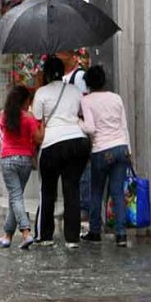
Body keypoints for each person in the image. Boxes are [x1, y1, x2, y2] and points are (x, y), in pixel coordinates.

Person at [32, 57, 91, 248]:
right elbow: (82, 113)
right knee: (71, 188)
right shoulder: (75, 91)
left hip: (52, 144)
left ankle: (46, 236)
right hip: (78, 142)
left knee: (48, 190)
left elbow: (37, 121)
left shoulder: (41, 93)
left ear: (47, 73)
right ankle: (72, 238)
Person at [79, 65, 131, 247]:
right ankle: (121, 234)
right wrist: (129, 150)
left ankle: (95, 231)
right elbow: (124, 125)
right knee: (117, 192)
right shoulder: (116, 98)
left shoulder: (87, 101)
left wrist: (78, 121)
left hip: (101, 150)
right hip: (121, 148)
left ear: (88, 83)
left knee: (96, 192)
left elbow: (91, 128)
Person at [0, 85, 40, 249]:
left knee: (15, 197)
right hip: (25, 160)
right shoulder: (29, 117)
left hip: (8, 159)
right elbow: (37, 138)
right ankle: (7, 235)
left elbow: (1, 134)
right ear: (25, 101)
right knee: (16, 197)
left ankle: (26, 232)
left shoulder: (4, 115)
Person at [57, 50, 91, 219]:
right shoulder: (60, 78)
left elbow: (84, 104)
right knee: (68, 173)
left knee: (82, 172)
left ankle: (84, 207)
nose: (58, 56)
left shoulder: (79, 76)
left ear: (71, 55)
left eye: (61, 53)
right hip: (64, 132)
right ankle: (71, 207)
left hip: (78, 130)